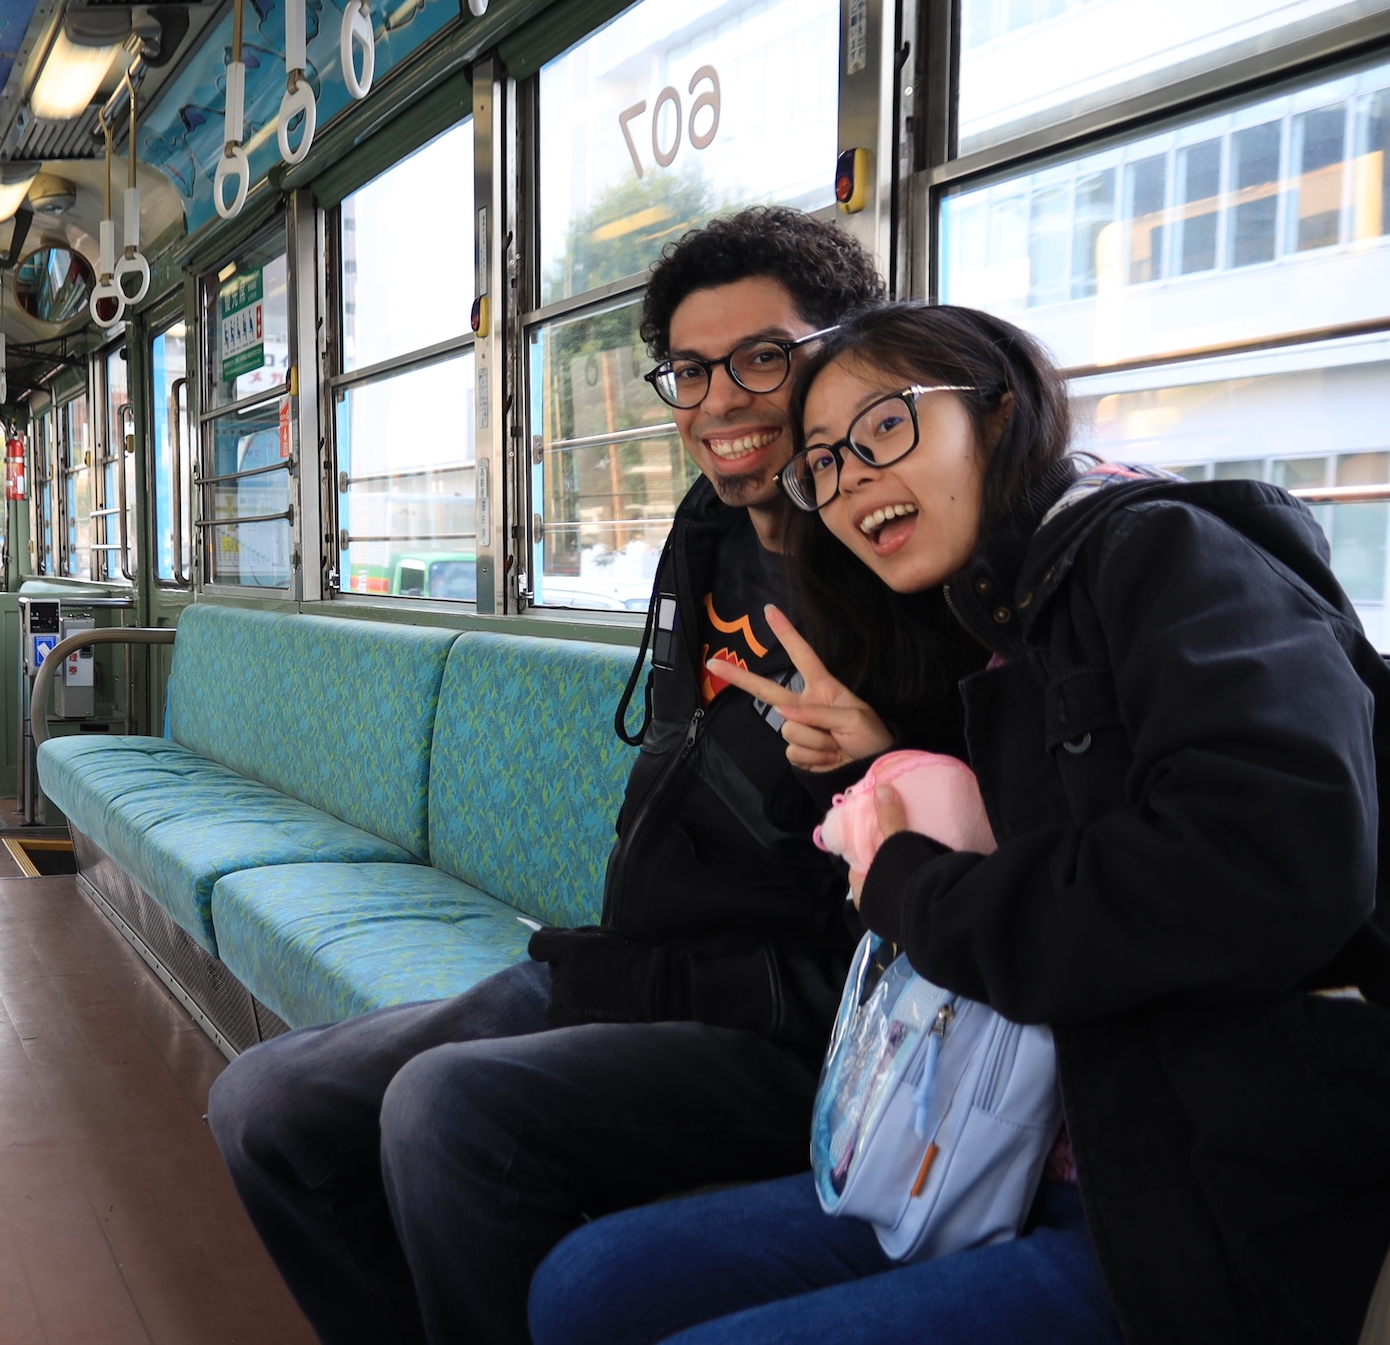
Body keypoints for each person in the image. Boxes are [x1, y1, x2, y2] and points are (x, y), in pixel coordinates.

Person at [527, 302, 1390, 1345]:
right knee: (588, 1286)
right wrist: (878, 759)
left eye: (885, 428)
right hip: (999, 1144)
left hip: (1184, 1192)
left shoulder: (1165, 554)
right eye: (825, 465)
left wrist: (910, 883)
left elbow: (1271, 864)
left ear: (1000, 409)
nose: (851, 483)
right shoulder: (994, 628)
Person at [206, 208, 886, 1345]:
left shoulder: (900, 573)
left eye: (764, 357)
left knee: (446, 1109)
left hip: (791, 1028)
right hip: (635, 968)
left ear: (851, 355)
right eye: (689, 370)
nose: (720, 400)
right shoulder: (710, 535)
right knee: (265, 1105)